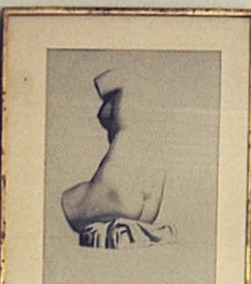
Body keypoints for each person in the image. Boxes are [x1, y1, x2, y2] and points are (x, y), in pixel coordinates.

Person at [60, 67, 175, 249]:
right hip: (148, 203)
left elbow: (103, 82)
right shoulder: (149, 115)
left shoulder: (127, 84)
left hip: (120, 191)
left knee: (59, 202)